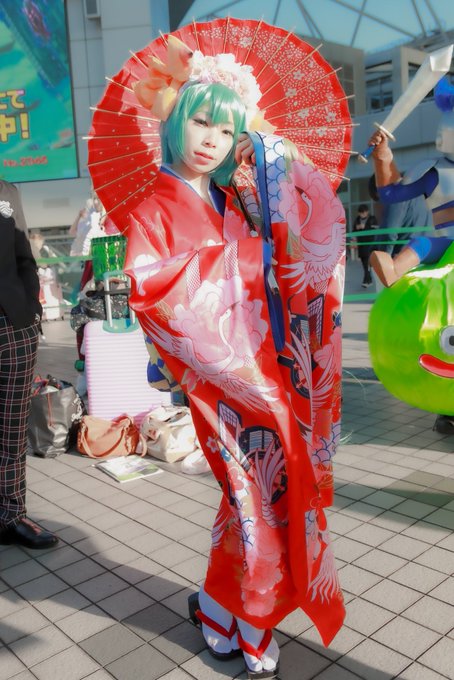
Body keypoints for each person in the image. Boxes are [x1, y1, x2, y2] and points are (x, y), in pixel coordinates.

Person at [101, 32, 347, 679]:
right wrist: (248, 260)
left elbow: (299, 233)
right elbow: (151, 287)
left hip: (267, 368)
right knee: (253, 491)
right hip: (219, 377)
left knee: (259, 492)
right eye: (200, 121)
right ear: (174, 121)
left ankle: (223, 605)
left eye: (226, 128)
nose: (211, 139)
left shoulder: (232, 196)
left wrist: (272, 197)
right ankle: (249, 616)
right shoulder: (153, 209)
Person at [368, 76, 454, 436]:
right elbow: (391, 194)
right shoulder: (434, 171)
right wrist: (384, 160)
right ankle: (395, 267)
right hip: (444, 242)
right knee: (421, 242)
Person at [0, 181, 58, 549]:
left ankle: (10, 516)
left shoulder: (7, 192)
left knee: (12, 430)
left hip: (14, 325)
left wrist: (31, 313)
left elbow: (24, 259)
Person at [352, 204, 378, 287]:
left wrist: (365, 227)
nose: (362, 214)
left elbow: (376, 229)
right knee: (364, 263)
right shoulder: (357, 220)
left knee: (367, 262)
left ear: (367, 212)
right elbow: (354, 231)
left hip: (370, 244)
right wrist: (357, 229)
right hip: (361, 244)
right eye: (361, 213)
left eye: (364, 212)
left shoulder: (372, 219)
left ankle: (366, 281)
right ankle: (369, 280)